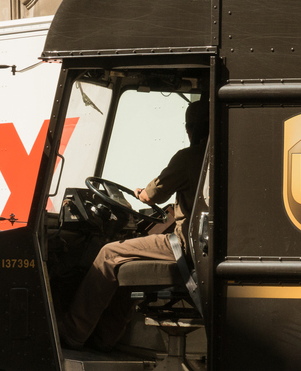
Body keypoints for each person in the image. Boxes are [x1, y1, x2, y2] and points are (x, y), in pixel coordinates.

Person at [58, 101, 209, 350]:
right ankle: (104, 340)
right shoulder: (220, 155)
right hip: (201, 247)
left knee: (108, 254)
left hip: (185, 246)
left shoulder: (188, 158)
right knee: (126, 268)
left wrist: (140, 193)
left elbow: (152, 195)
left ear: (191, 130)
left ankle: (73, 332)